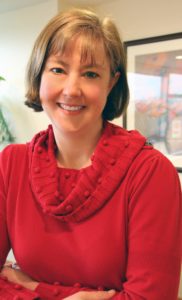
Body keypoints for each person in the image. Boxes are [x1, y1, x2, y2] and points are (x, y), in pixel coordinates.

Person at [0, 7, 181, 300]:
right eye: (58, 69)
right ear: (39, 74)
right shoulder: (11, 163)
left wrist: (34, 287)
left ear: (111, 83)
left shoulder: (149, 173)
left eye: (91, 74)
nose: (72, 90)